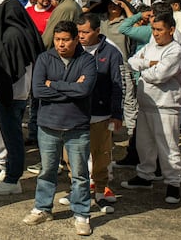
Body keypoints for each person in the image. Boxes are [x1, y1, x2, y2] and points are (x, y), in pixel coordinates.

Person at [23, 21, 97, 237]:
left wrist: (53, 84)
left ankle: (82, 214)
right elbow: (37, 91)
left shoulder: (87, 61)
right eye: (57, 40)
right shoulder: (45, 58)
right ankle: (42, 208)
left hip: (77, 126)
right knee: (47, 170)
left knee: (80, 173)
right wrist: (71, 88)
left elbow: (85, 90)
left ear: (76, 39)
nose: (61, 44)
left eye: (65, 40)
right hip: (48, 125)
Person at [0, 0, 46, 197]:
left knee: (12, 137)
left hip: (10, 94)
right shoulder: (26, 32)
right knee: (11, 135)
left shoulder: (11, 36)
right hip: (21, 92)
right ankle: (9, 171)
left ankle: (13, 178)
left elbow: (8, 68)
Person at [121, 13, 181, 206]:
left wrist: (144, 69)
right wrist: (147, 64)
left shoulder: (176, 50)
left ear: (171, 30)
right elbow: (132, 61)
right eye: (154, 29)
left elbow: (160, 75)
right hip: (146, 103)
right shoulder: (151, 46)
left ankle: (173, 183)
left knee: (168, 146)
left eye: (160, 30)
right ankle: (145, 175)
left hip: (166, 105)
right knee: (144, 144)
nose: (156, 33)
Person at [75, 13, 124, 213]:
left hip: (101, 114)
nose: (81, 36)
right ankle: (80, 191)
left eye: (85, 32)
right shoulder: (73, 48)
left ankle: (101, 190)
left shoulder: (111, 52)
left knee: (101, 155)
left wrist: (117, 113)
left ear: (97, 31)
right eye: (78, 32)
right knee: (77, 155)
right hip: (76, 113)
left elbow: (118, 84)